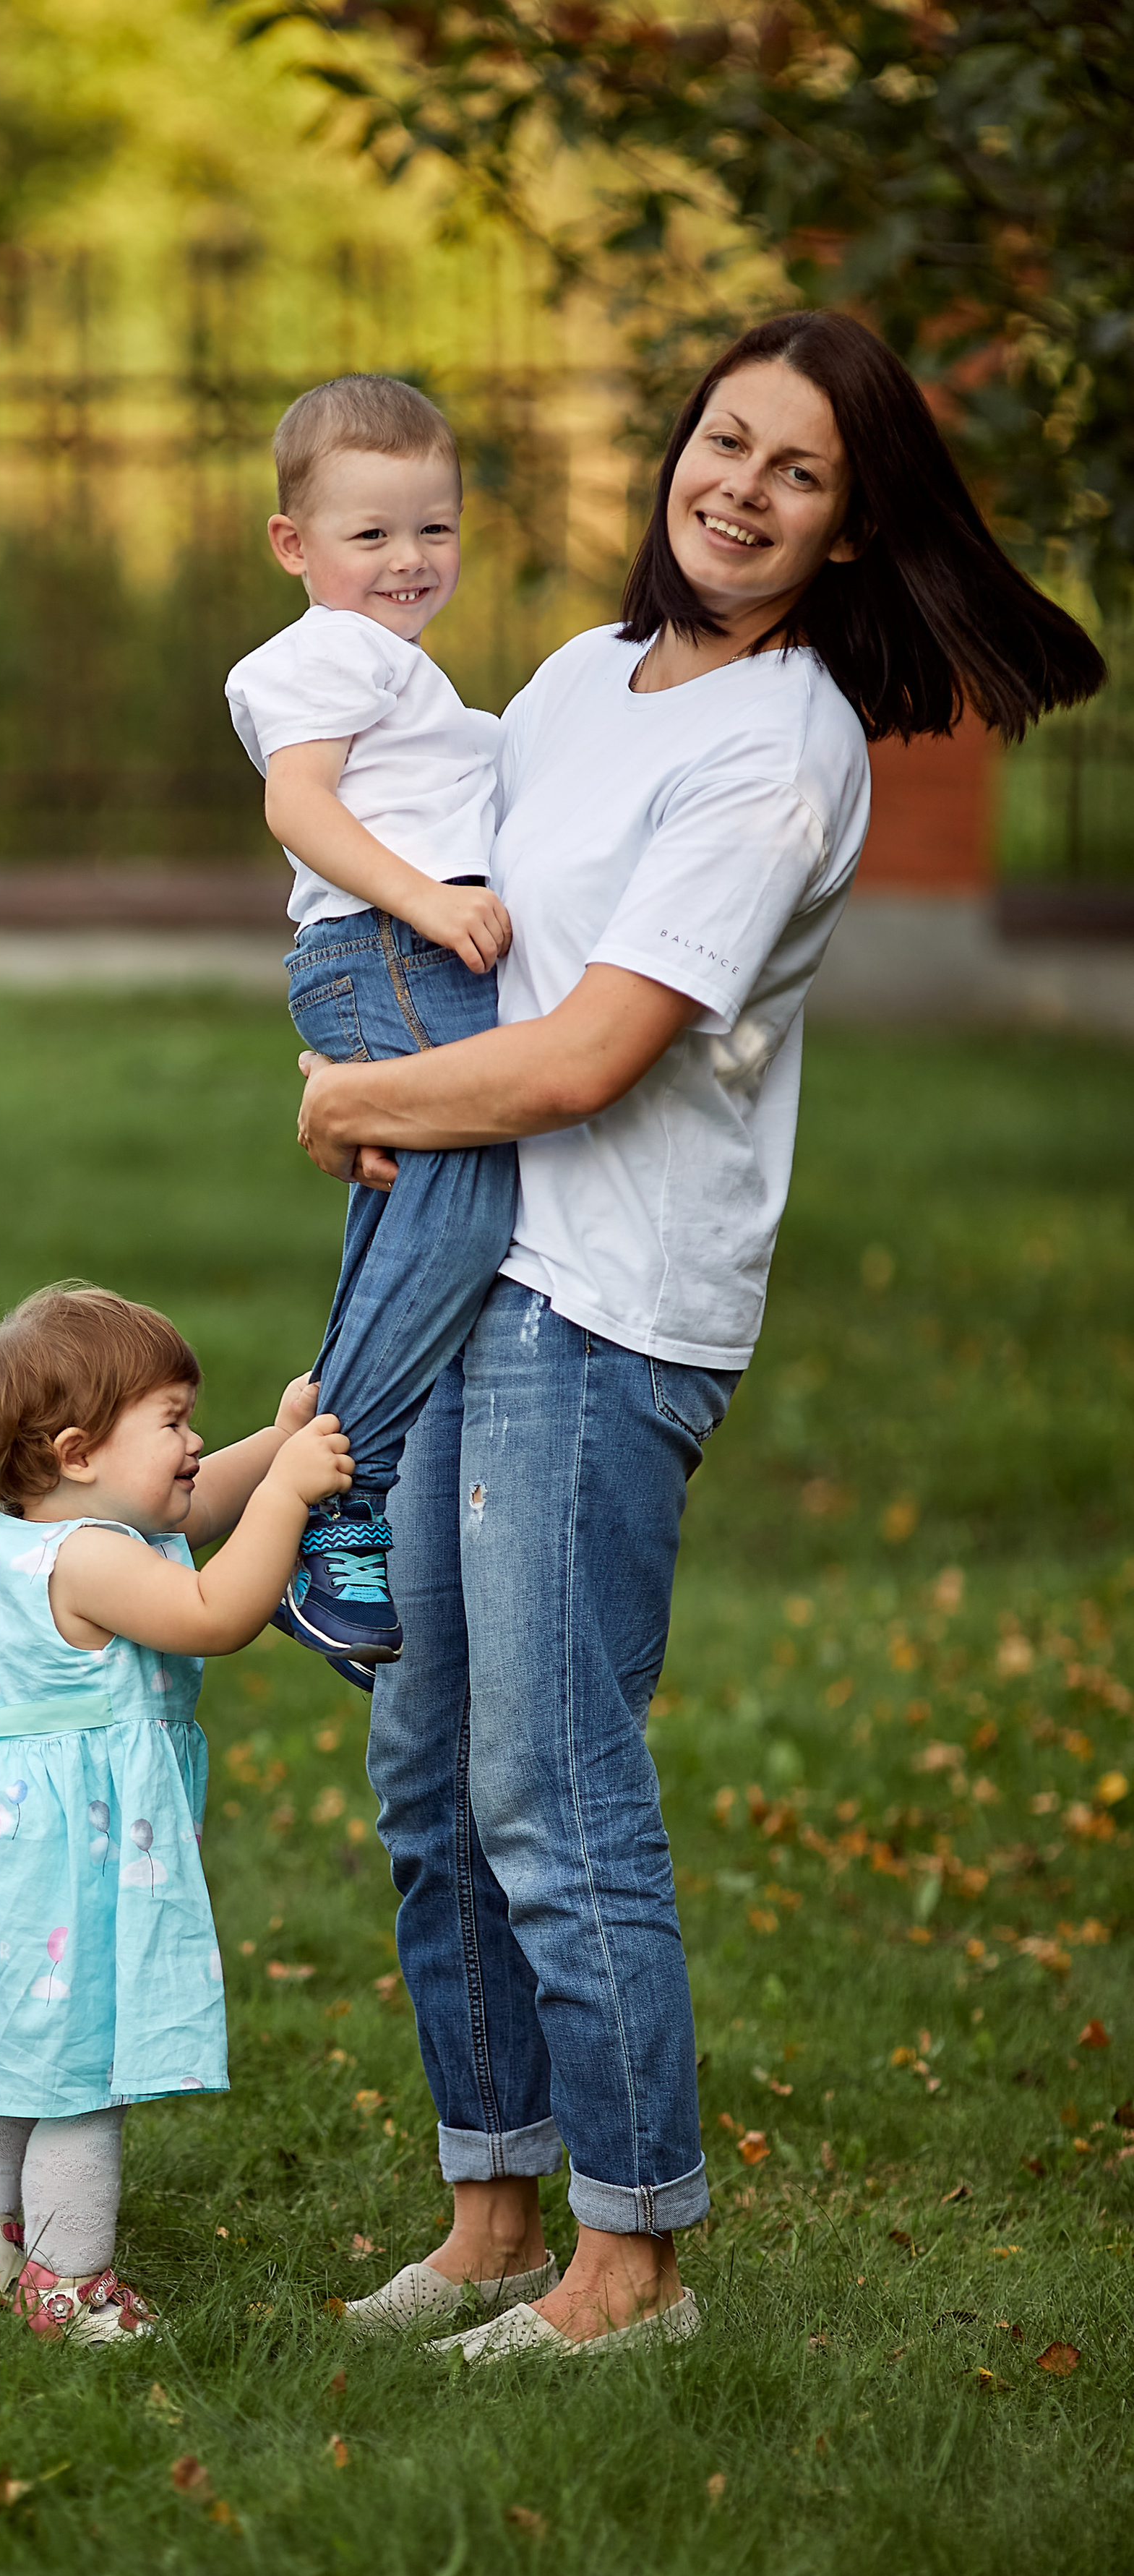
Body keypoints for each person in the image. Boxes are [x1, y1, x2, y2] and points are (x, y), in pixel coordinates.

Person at [295, 312, 1104, 2357]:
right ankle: (492, 2208)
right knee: (429, 1776)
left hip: (609, 1307)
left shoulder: (783, 744)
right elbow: (449, 921)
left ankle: (631, 2257)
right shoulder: (581, 680)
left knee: (551, 1786)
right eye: (723, 439)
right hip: (478, 1269)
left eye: (799, 470)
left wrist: (356, 1101)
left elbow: (588, 1055)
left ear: (849, 530)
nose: (738, 485)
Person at [0, 1283, 350, 2343]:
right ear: (76, 1451)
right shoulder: (94, 1559)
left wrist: (276, 1441)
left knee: (4, 2046)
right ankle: (69, 2285)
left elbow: (196, 1505)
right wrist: (292, 1496)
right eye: (173, 1423)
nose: (195, 1443)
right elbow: (214, 1614)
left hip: (15, 1856)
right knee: (81, 2069)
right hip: (64, 1860)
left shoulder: (73, 1527)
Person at [225, 374, 515, 1691]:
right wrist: (432, 900)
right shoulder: (329, 653)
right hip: (390, 952)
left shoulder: (395, 664)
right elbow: (302, 807)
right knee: (469, 1188)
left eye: (434, 530)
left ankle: (326, 1488)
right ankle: (340, 1492)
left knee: (414, 1210)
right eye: (372, 534)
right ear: (296, 546)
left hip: (392, 959)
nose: (408, 560)